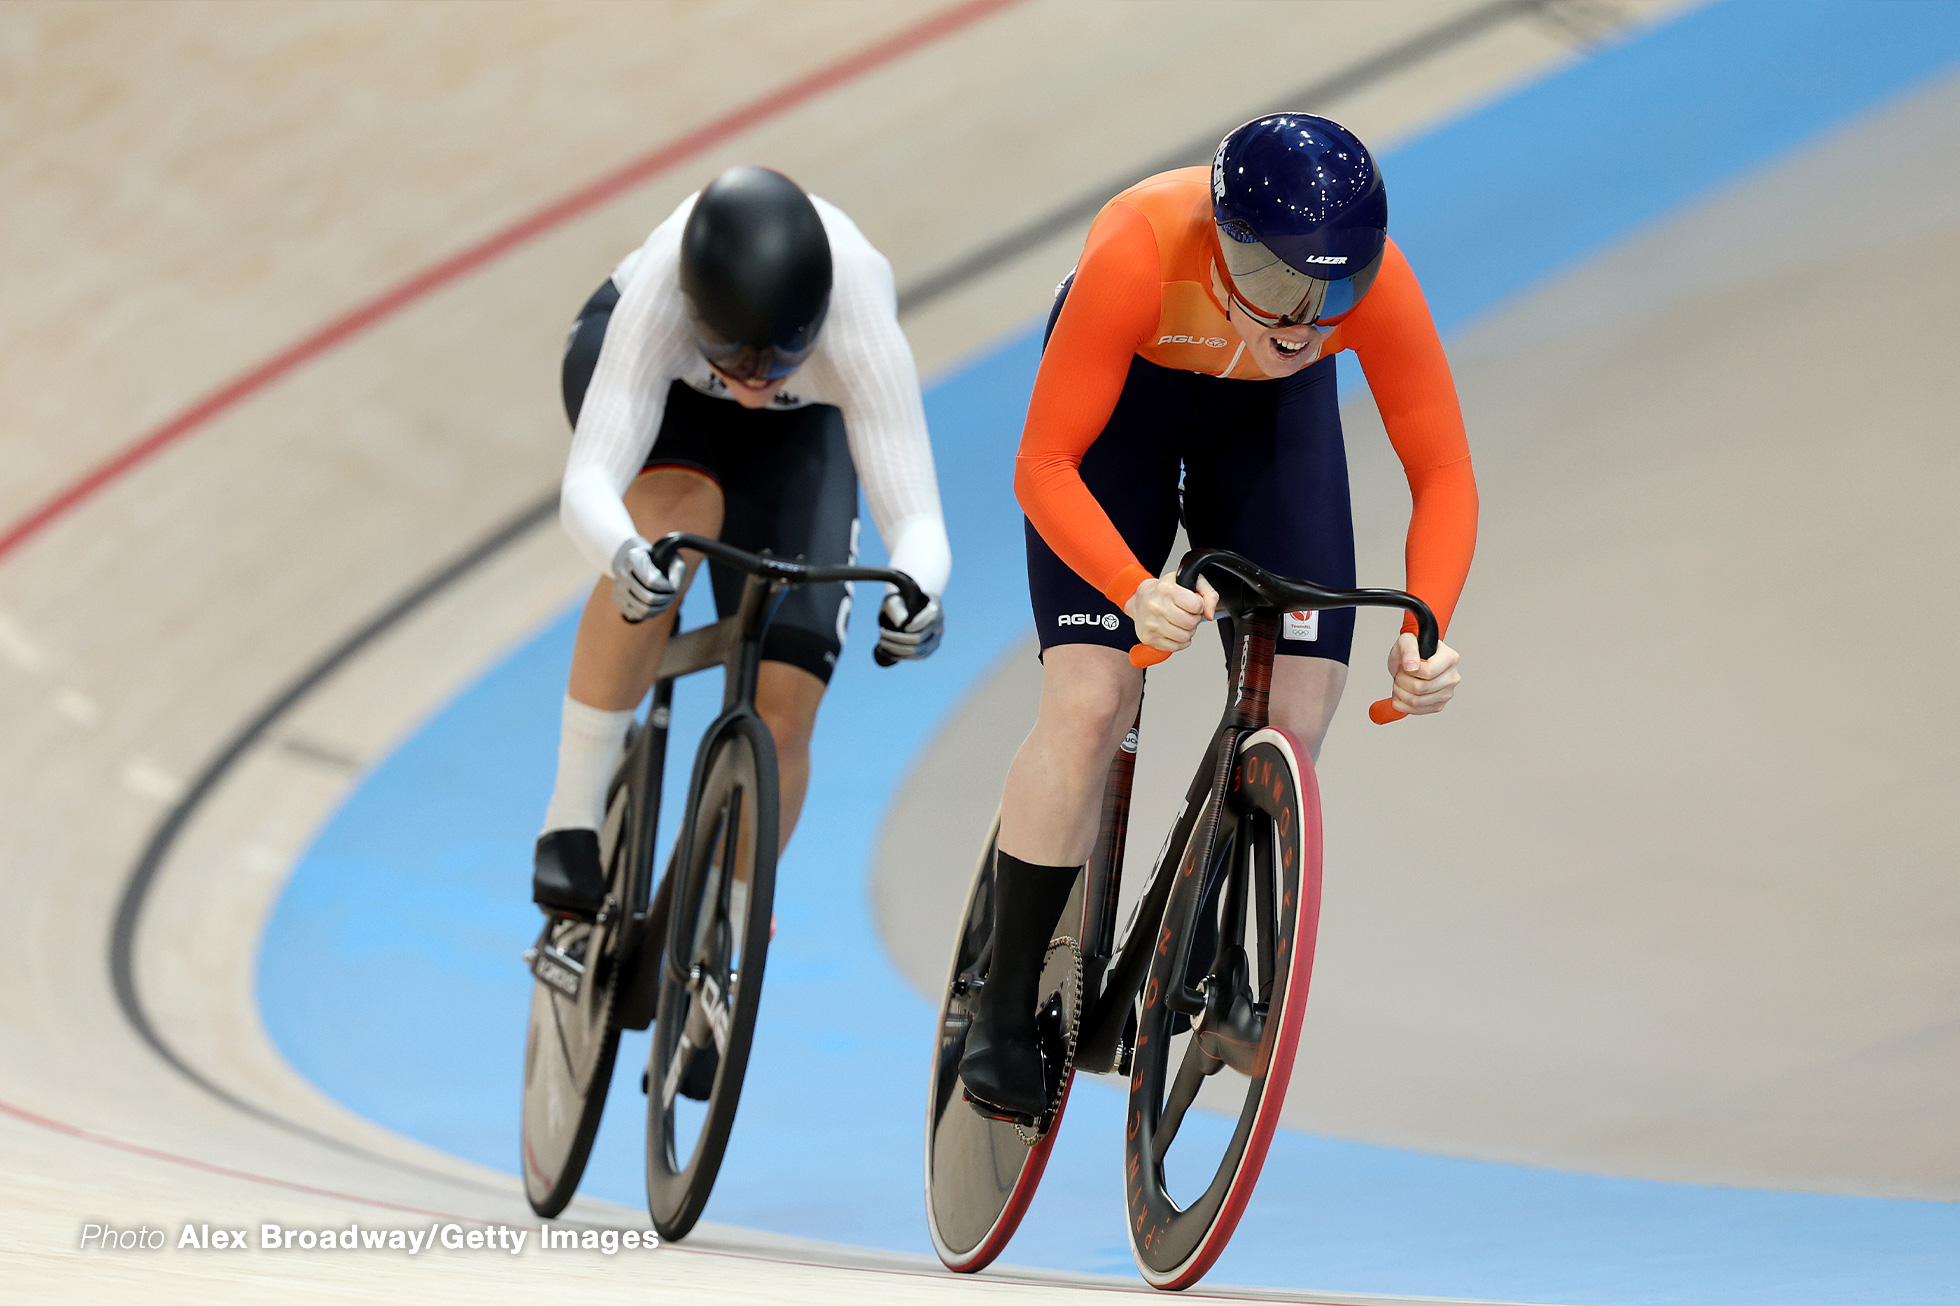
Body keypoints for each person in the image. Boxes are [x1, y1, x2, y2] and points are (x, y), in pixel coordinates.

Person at [959, 114, 1477, 1121]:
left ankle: (1223, 921)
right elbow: (1043, 464)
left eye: (1334, 294)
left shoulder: (1359, 286)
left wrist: (1426, 627)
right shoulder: (1141, 247)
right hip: (1127, 422)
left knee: (1301, 701)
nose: (1303, 321)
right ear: (1228, 241)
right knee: (1091, 694)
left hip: (1266, 429)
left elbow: (1444, 471)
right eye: (1282, 287)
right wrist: (1126, 582)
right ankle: (1001, 995)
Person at [533, 165, 949, 918]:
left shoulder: (859, 313)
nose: (754, 381)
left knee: (785, 711)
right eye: (733, 353)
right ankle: (571, 814)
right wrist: (625, 554)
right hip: (666, 397)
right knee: (678, 522)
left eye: (782, 354)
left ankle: (722, 931)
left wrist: (918, 591)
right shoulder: (662, 290)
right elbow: (587, 484)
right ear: (695, 312)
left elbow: (917, 519)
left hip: (798, 430)